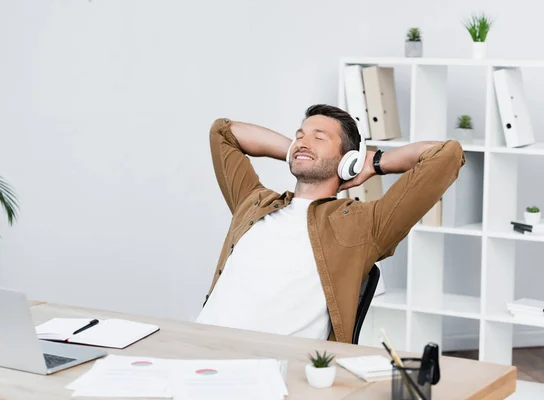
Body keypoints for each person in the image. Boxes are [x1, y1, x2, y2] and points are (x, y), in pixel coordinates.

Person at [195, 104, 465, 343]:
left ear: (349, 159)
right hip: (199, 346)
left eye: (319, 137)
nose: (303, 141)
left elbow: (447, 154)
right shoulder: (253, 202)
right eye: (300, 135)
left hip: (276, 369)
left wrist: (374, 162)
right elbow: (222, 133)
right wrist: (296, 150)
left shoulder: (365, 224)